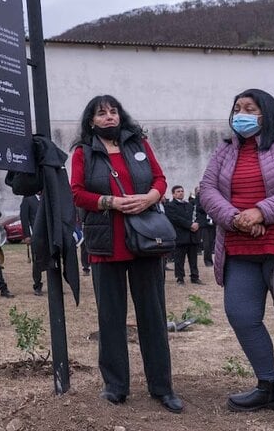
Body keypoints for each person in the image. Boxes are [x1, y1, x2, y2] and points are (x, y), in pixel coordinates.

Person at [199, 88, 274, 429]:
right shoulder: (225, 150)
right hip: (240, 249)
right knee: (241, 315)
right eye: (237, 107)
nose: (241, 113)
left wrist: (261, 212)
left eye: (249, 108)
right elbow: (207, 190)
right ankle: (269, 385)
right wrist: (236, 217)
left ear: (266, 112)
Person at [70, 94, 184, 414]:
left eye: (113, 112)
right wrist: (111, 202)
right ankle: (116, 387)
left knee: (153, 317)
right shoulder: (83, 152)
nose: (109, 117)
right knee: (111, 319)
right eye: (101, 113)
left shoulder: (139, 144)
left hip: (146, 242)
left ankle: (162, 387)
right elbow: (78, 192)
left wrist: (149, 198)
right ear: (91, 121)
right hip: (106, 244)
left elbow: (160, 179)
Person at [165, 185, 203, 285]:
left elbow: (197, 215)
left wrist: (197, 224)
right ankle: (180, 278)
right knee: (179, 259)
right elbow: (175, 219)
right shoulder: (170, 206)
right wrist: (190, 225)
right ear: (173, 194)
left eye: (182, 191)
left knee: (193, 259)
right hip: (180, 236)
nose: (181, 193)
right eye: (178, 191)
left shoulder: (189, 205)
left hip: (192, 236)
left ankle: (195, 277)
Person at [19, 192, 44, 295]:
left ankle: (54, 285)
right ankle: (37, 285)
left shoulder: (47, 197)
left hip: (48, 235)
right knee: (37, 260)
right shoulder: (27, 199)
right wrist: (27, 235)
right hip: (35, 235)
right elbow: (24, 218)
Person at [190, 185, 216, 267]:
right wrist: (209, 208)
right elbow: (199, 208)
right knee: (206, 243)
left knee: (211, 242)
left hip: (212, 223)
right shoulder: (199, 197)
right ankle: (207, 261)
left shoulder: (213, 196)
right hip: (204, 223)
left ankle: (210, 260)